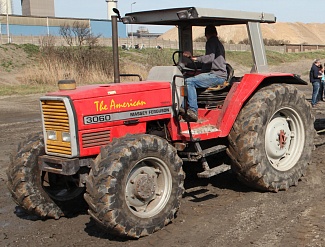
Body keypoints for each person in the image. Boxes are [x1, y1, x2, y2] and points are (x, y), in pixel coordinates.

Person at [181, 25, 228, 122]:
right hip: (217, 74)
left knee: (189, 82)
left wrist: (195, 58)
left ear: (206, 34)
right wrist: (190, 63)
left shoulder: (211, 42)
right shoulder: (218, 43)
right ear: (216, 33)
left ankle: (193, 111)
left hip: (217, 76)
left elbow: (209, 58)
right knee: (189, 78)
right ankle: (184, 109)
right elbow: (209, 61)